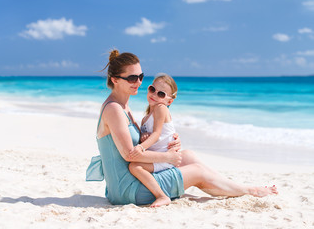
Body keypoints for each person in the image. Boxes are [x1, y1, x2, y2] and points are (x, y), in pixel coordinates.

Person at [86, 49, 278, 206]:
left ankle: (233, 186)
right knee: (198, 172)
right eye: (132, 78)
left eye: (141, 76)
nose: (139, 82)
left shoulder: (123, 107)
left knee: (189, 156)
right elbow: (130, 155)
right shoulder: (114, 110)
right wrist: (168, 157)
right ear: (115, 80)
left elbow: (144, 142)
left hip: (129, 183)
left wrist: (169, 142)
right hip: (129, 190)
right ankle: (250, 190)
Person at [128, 73, 180, 207]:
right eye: (152, 89)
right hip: (157, 156)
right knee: (134, 164)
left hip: (165, 158)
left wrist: (141, 147)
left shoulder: (161, 108)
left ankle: (162, 196)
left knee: (134, 166)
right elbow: (151, 135)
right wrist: (143, 136)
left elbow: (156, 134)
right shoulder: (146, 118)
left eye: (161, 94)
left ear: (169, 101)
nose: (154, 94)